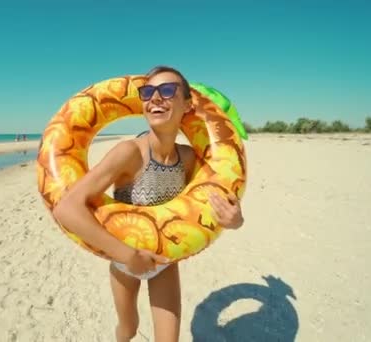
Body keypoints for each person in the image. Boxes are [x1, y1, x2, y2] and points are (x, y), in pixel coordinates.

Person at [52, 66, 244, 342]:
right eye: (148, 92)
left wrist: (235, 220)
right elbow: (66, 209)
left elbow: (217, 196)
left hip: (165, 258)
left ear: (187, 104)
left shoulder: (190, 158)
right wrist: (129, 256)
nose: (155, 98)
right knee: (128, 329)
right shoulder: (129, 153)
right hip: (124, 260)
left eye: (167, 90)